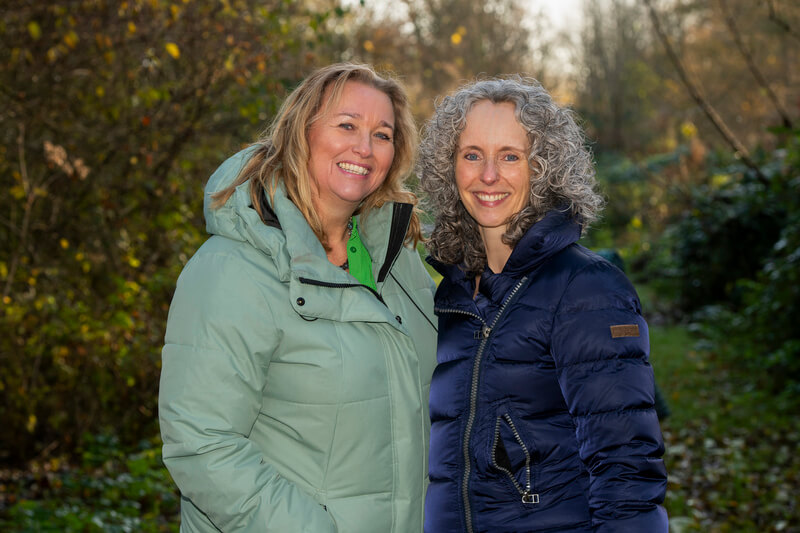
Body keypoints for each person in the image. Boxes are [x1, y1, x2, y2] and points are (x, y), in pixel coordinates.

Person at [158, 63, 438, 533]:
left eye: (382, 135)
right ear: (300, 131)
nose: (365, 148)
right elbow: (203, 444)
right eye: (346, 125)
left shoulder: (400, 263)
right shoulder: (232, 269)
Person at [417, 77, 668, 532]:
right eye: (471, 155)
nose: (488, 175)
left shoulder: (585, 289)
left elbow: (627, 473)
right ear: (447, 167)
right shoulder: (454, 295)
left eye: (510, 156)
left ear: (544, 168)